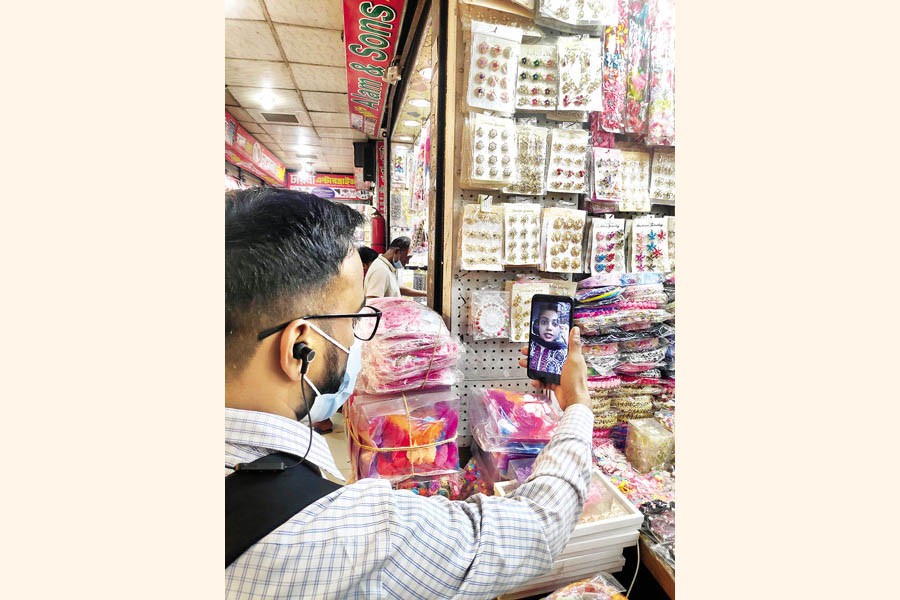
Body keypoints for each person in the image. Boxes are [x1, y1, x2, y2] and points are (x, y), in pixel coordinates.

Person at [225, 188, 594, 599]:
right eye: (354, 316)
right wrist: (577, 405)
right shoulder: (356, 533)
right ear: (300, 347)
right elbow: (538, 528)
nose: (361, 337)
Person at [529, 303, 570, 375]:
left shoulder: (565, 352)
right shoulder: (531, 344)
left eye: (555, 323)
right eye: (544, 322)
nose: (549, 328)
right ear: (537, 324)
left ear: (560, 328)